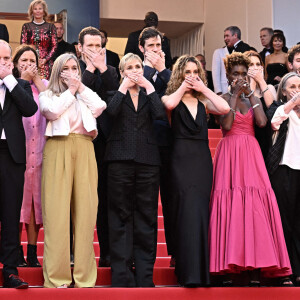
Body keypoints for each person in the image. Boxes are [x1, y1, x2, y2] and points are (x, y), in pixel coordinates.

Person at [209, 52, 292, 287]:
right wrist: (235, 96)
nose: (241, 77)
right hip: (230, 153)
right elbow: (225, 124)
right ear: (228, 75)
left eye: (244, 74)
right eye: (236, 74)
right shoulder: (222, 96)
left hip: (251, 153)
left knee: (255, 206)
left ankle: (256, 266)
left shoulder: (252, 96)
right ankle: (229, 266)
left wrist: (251, 95)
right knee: (231, 206)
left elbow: (262, 122)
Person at [39, 53, 107, 288]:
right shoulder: (47, 94)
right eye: (65, 69)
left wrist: (79, 87)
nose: (71, 72)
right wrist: (70, 91)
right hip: (58, 147)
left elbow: (100, 106)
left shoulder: (83, 95)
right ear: (57, 72)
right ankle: (57, 278)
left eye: (74, 68)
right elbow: (52, 112)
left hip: (85, 147)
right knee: (56, 214)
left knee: (86, 213)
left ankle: (84, 278)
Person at [162, 55, 230, 287]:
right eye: (187, 72)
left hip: (202, 160)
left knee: (201, 211)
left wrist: (204, 88)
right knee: (184, 211)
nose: (191, 76)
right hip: (180, 159)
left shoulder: (204, 103)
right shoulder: (171, 97)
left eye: (195, 72)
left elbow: (225, 107)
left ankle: (203, 272)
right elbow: (169, 104)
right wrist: (184, 86)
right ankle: (187, 271)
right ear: (179, 74)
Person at [105, 53, 165, 287]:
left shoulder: (151, 94)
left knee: (146, 217)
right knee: (119, 217)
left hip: (148, 161)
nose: (134, 70)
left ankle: (144, 276)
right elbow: (110, 113)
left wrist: (149, 85)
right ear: (121, 72)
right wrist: (123, 87)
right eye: (129, 67)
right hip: (119, 161)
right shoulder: (114, 94)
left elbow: (161, 115)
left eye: (138, 66)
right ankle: (121, 275)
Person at [77, 26, 119, 268]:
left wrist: (102, 68)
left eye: (98, 46)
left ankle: (108, 252)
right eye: (89, 46)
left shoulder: (111, 70)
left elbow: (115, 97)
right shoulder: (72, 69)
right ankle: (77, 254)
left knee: (105, 198)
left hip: (106, 143)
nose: (94, 50)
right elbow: (78, 94)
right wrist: (91, 69)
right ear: (80, 48)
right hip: (79, 140)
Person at [0, 39, 38, 288]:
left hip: (11, 156)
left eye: (5, 59)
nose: (2, 64)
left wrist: (10, 80)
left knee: (11, 214)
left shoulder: (19, 85)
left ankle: (10, 270)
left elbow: (29, 108)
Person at [138, 27, 174, 265]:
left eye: (159, 46)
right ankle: (142, 257)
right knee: (144, 205)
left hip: (169, 144)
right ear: (141, 48)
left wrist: (161, 69)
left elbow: (175, 91)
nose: (155, 50)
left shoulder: (169, 72)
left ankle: (174, 253)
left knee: (172, 201)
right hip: (142, 144)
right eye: (151, 46)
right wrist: (150, 69)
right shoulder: (133, 68)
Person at [12, 45, 47, 268]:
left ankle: (33, 252)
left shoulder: (43, 88)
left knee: (36, 205)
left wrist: (38, 80)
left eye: (32, 60)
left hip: (41, 152)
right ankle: (15, 250)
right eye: (23, 60)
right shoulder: (11, 87)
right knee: (16, 204)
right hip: (18, 154)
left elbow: (52, 104)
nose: (27, 64)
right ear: (15, 64)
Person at [266, 72, 300, 286]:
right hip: (284, 169)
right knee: (286, 221)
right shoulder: (280, 108)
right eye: (293, 86)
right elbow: (274, 121)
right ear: (285, 91)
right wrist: (294, 102)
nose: (297, 89)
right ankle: (290, 269)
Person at [244, 50, 276, 160]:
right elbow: (248, 110)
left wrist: (261, 82)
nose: (255, 68)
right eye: (251, 65)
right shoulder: (239, 89)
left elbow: (272, 109)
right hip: (249, 137)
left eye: (258, 64)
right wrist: (252, 83)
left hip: (266, 137)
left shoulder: (270, 88)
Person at [21, 0, 57, 79]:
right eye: (35, 9)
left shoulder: (51, 27)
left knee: (46, 88)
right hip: (30, 63)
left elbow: (54, 46)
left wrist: (45, 59)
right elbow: (23, 46)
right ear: (32, 11)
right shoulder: (26, 26)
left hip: (47, 64)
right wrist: (34, 60)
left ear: (44, 11)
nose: (38, 11)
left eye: (40, 8)